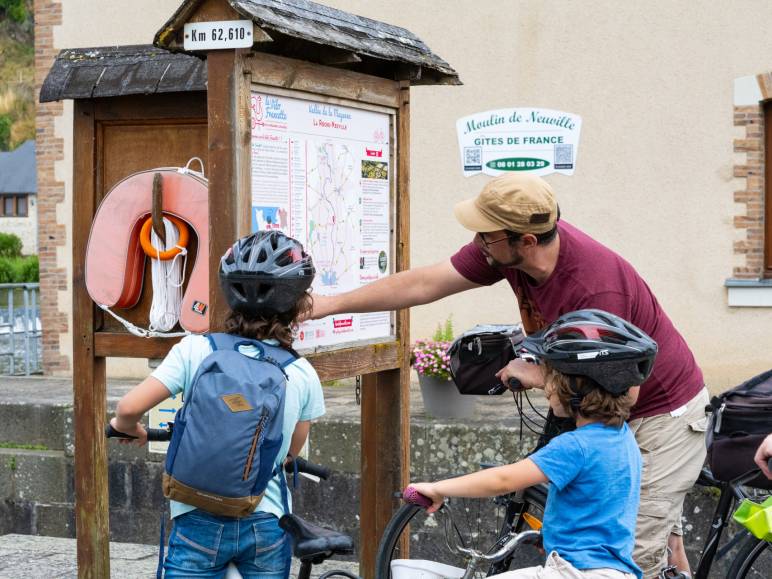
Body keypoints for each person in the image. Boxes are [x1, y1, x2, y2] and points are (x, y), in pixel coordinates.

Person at [311, 174, 707, 578]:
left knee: (635, 553)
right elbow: (426, 282)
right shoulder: (505, 250)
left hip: (660, 414)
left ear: (527, 241)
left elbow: (624, 385)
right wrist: (330, 305)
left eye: (488, 235)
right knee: (653, 539)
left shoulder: (594, 289)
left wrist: (538, 374)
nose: (479, 242)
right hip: (605, 414)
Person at [110, 231, 325, 578]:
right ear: (299, 304)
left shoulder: (195, 349)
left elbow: (129, 407)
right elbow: (290, 451)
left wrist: (127, 427)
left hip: (195, 515)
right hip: (264, 519)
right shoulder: (301, 372)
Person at [410, 310, 656, 579]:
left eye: (551, 380)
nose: (546, 389)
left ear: (574, 389)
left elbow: (503, 479)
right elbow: (595, 506)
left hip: (576, 573)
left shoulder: (575, 446)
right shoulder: (621, 436)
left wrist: (437, 488)